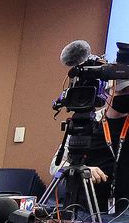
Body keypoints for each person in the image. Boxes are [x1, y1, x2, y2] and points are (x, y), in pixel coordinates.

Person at [50, 80, 129, 216]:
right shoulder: (86, 123)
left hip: (125, 213)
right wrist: (84, 170)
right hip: (85, 211)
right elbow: (55, 166)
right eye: (122, 91)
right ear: (106, 93)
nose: (127, 95)